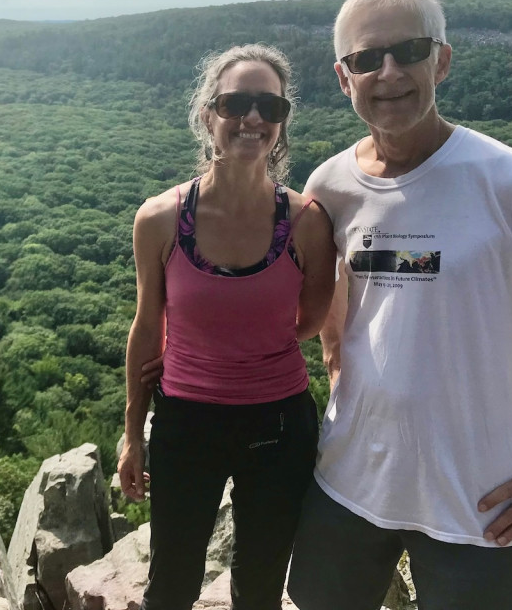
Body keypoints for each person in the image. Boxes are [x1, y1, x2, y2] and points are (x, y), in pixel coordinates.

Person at [285, 0, 512, 610]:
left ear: (441, 60)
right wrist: (338, 362)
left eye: (408, 50)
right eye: (366, 59)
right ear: (344, 77)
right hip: (347, 485)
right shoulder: (331, 185)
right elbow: (339, 291)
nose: (387, 72)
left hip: (480, 507)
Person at [118, 43, 336, 610]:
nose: (254, 118)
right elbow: (148, 328)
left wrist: (236, 345)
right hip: (186, 421)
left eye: (270, 106)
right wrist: (132, 434)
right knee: (171, 584)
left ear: (283, 122)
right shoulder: (161, 219)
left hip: (280, 424)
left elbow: (311, 318)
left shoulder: (307, 223)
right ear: (208, 114)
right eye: (237, 102)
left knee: (261, 586)